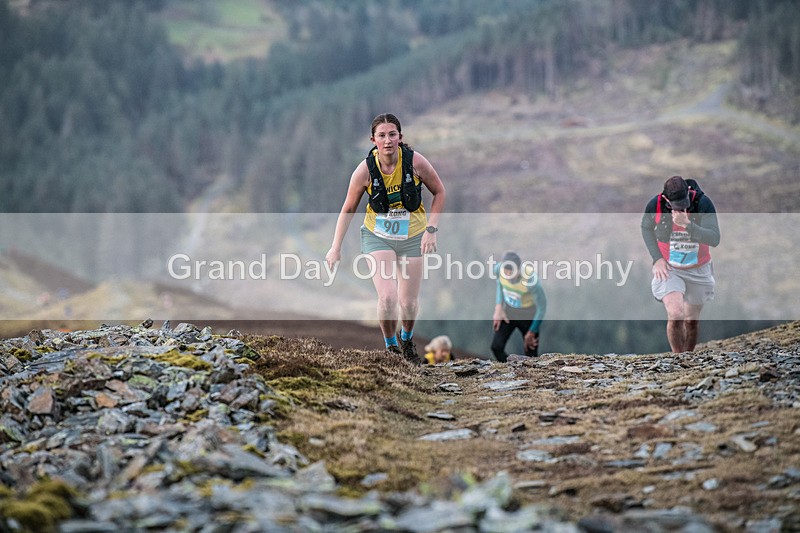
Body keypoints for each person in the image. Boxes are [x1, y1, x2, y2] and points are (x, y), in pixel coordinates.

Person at [326, 113, 446, 363]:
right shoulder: (364, 171)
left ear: (400, 137)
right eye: (382, 136)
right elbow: (348, 209)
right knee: (388, 297)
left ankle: (406, 339)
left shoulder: (416, 163)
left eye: (392, 134)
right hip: (377, 236)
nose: (388, 140)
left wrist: (431, 230)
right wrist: (335, 248)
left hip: (413, 236)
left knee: (409, 302)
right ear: (373, 140)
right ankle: (391, 347)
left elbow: (440, 192)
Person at [641, 176, 720, 353]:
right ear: (667, 199)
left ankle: (688, 357)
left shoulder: (702, 203)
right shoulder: (655, 205)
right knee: (676, 314)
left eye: (684, 202)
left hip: (699, 268)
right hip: (670, 269)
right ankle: (678, 358)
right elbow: (645, 227)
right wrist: (657, 258)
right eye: (677, 205)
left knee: (691, 320)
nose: (682, 208)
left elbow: (715, 238)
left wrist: (687, 225)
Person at [491, 251, 546, 362]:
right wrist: (498, 307)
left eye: (511, 272)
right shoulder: (498, 269)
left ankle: (530, 376)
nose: (508, 275)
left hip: (528, 315)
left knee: (531, 355)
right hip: (509, 312)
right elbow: (499, 284)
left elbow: (542, 306)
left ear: (519, 269)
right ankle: (510, 370)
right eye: (505, 272)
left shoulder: (530, 279)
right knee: (496, 347)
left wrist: (532, 331)